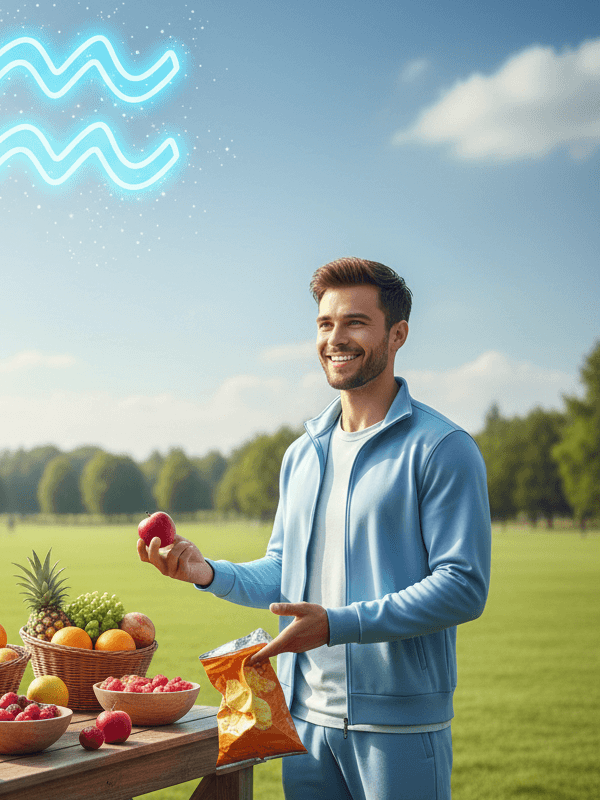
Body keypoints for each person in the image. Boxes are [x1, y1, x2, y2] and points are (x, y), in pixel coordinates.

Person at [138, 257, 491, 800]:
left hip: (399, 728)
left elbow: (462, 588)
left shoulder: (442, 449)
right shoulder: (302, 454)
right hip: (304, 723)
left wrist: (336, 624)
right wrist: (206, 571)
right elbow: (286, 573)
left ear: (397, 334)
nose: (335, 338)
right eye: (325, 324)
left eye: (355, 322)